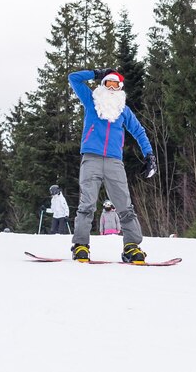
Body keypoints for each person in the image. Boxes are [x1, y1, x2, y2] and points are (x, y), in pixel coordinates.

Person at [68, 68, 157, 263]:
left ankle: (131, 246)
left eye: (115, 85)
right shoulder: (91, 102)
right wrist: (96, 73)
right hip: (91, 158)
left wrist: (149, 155)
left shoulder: (123, 110)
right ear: (102, 86)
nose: (111, 87)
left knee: (125, 206)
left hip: (114, 162)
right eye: (108, 83)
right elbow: (73, 78)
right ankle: (80, 245)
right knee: (87, 204)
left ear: (120, 89)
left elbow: (139, 131)